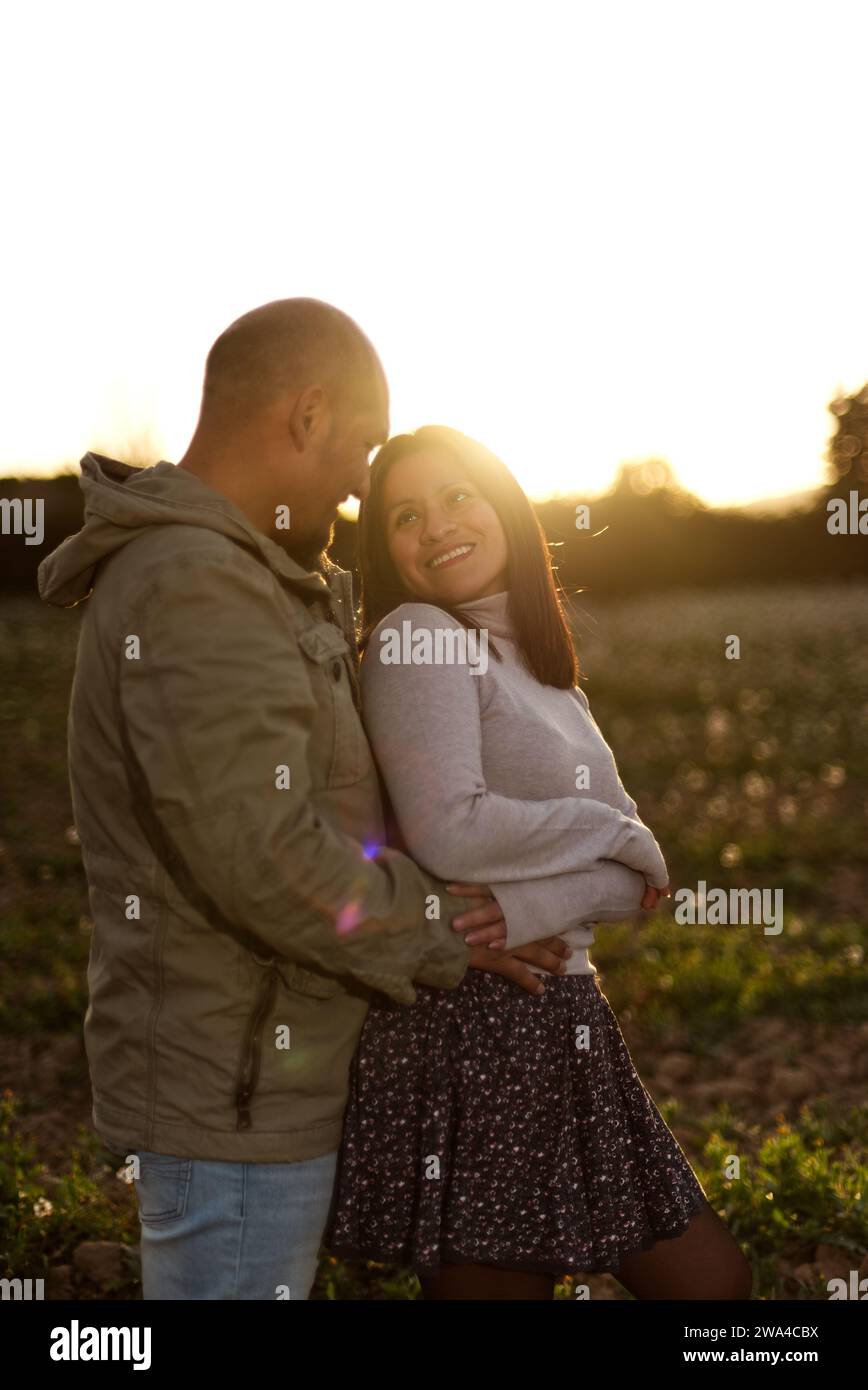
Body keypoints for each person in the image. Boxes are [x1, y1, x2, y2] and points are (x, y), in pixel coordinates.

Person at [36, 299, 582, 1300]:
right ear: (307, 413)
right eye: (363, 446)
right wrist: (450, 929)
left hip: (257, 1080)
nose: (362, 481)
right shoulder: (198, 587)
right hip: (230, 1097)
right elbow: (263, 855)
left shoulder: (255, 573)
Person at [324, 425, 754, 1301]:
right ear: (386, 551)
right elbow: (450, 830)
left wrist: (543, 899)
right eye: (405, 514)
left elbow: (632, 881)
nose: (437, 523)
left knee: (714, 1290)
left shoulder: (550, 674)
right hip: (478, 1020)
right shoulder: (416, 637)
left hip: (563, 1013)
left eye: (458, 495)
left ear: (504, 508)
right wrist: (611, 834)